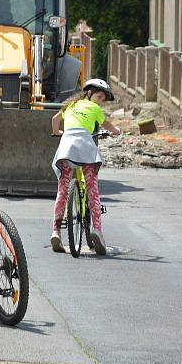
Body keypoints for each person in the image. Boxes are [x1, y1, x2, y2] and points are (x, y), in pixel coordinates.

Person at [49, 78, 121, 255]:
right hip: (85, 146)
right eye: (100, 97)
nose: (101, 101)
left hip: (66, 146)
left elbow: (54, 119)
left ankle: (56, 231)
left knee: (63, 189)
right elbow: (108, 125)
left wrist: (58, 132)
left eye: (103, 100)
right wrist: (116, 131)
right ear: (89, 94)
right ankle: (97, 230)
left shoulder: (70, 106)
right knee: (92, 189)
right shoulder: (94, 109)